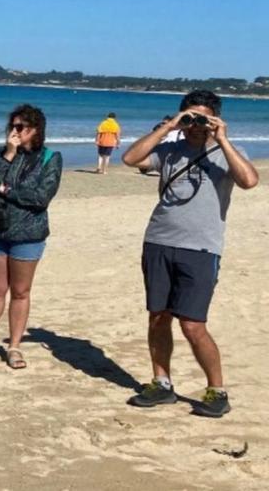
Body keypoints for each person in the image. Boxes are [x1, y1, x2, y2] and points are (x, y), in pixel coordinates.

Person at [120, 90, 259, 418]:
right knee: (158, 316)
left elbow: (250, 180)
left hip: (201, 247)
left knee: (193, 324)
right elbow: (129, 159)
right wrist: (168, 128)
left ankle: (216, 389)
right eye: (190, 118)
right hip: (158, 241)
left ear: (215, 119)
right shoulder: (169, 150)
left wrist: (221, 139)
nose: (196, 125)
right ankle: (161, 382)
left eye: (203, 118)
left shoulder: (228, 154)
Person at [0, 104, 62, 370]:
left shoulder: (49, 158)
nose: (15, 132)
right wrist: (9, 154)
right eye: (13, 127)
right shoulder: (1, 153)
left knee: (20, 292)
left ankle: (14, 346)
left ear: (35, 130)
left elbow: (42, 197)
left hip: (28, 233)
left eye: (21, 127)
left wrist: (6, 190)